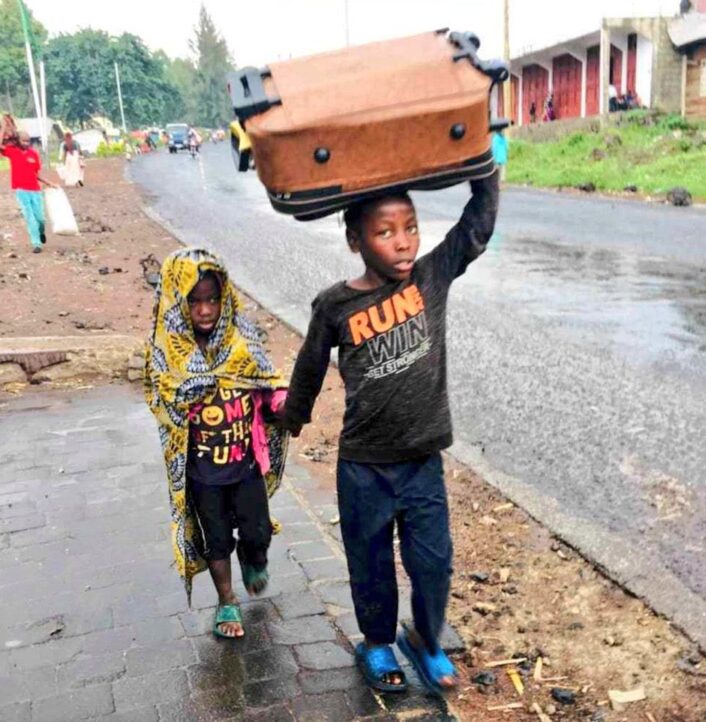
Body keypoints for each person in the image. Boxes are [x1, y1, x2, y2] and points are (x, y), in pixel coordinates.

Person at [280, 171, 499, 694]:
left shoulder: (431, 277)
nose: (403, 242)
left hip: (422, 461)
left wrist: (486, 177)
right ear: (356, 240)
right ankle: (377, 642)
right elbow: (310, 367)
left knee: (433, 561)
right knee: (370, 561)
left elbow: (474, 231)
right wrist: (291, 417)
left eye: (410, 227)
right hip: (364, 467)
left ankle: (425, 639)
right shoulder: (334, 305)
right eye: (385, 232)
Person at [144, 247, 289, 638]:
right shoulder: (169, 354)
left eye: (212, 299)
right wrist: (186, 398)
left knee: (257, 530)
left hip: (246, 467)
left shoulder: (242, 342)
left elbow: (267, 384)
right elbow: (159, 397)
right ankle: (227, 602)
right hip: (203, 473)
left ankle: (254, 557)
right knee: (216, 540)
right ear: (178, 303)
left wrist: (282, 402)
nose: (205, 310)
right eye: (194, 302)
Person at [0, 117, 59, 254]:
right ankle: (36, 243)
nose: (26, 143)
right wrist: (3, 127)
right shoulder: (12, 152)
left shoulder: (34, 155)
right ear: (18, 142)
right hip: (21, 191)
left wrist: (49, 183)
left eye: (28, 141)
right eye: (23, 141)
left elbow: (36, 174)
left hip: (35, 191)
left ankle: (41, 231)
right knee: (29, 217)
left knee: (40, 218)